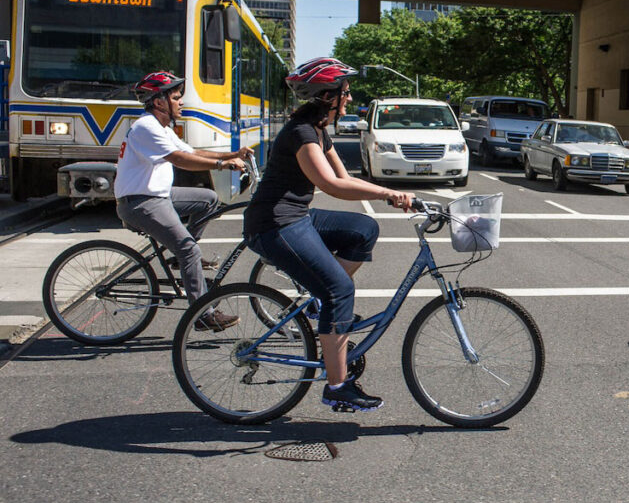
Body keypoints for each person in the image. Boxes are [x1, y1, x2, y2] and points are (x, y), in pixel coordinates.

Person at [243, 57, 414, 412]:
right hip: (274, 224)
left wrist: (391, 193)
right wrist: (385, 195)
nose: (349, 98)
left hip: (297, 217)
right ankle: (337, 387)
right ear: (326, 96)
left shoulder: (320, 129)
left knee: (363, 229)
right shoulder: (302, 133)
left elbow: (346, 176)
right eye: (344, 92)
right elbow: (332, 185)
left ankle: (324, 304)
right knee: (339, 289)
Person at [115, 71, 251, 331]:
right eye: (176, 98)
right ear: (159, 102)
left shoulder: (160, 127)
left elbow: (192, 151)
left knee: (209, 199)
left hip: (159, 196)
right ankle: (202, 314)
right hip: (141, 203)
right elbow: (180, 159)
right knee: (189, 248)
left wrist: (234, 153)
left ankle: (180, 259)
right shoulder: (146, 127)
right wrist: (223, 164)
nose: (181, 102)